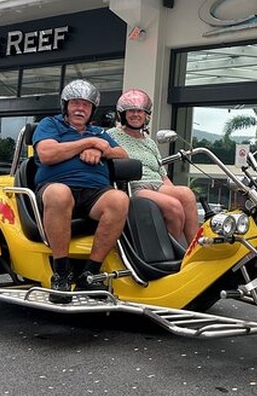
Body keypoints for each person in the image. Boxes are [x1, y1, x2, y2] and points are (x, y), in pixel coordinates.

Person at [33, 79, 129, 302]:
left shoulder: (97, 131)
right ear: (65, 106)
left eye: (86, 105)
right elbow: (47, 153)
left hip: (95, 192)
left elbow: (122, 154)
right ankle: (62, 273)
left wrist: (101, 150)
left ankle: (90, 274)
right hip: (55, 188)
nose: (80, 109)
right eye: (75, 103)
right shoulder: (51, 124)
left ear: (92, 110)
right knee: (60, 193)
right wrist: (89, 143)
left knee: (119, 199)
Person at [108, 89, 200, 246]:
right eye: (131, 111)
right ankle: (170, 252)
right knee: (174, 207)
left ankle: (195, 249)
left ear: (146, 115)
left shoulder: (149, 142)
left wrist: (175, 192)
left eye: (139, 111)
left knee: (186, 194)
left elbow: (162, 174)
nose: (135, 115)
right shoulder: (112, 135)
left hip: (156, 184)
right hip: (134, 187)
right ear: (122, 114)